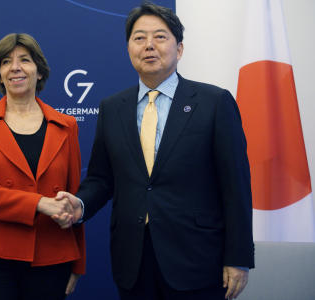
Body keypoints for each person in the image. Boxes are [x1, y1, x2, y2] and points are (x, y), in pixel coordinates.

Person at [55, 2, 254, 300]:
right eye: (139, 38)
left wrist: (238, 257)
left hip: (197, 259)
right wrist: (80, 205)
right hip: (133, 260)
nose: (149, 45)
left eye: (160, 37)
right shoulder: (113, 108)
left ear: (180, 49)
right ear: (128, 48)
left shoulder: (214, 103)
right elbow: (101, 178)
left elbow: (236, 186)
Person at [0, 33, 85, 300]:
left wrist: (78, 262)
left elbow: (73, 198)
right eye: (6, 62)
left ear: (39, 71)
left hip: (52, 254)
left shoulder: (67, 125)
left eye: (24, 60)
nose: (15, 67)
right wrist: (40, 203)